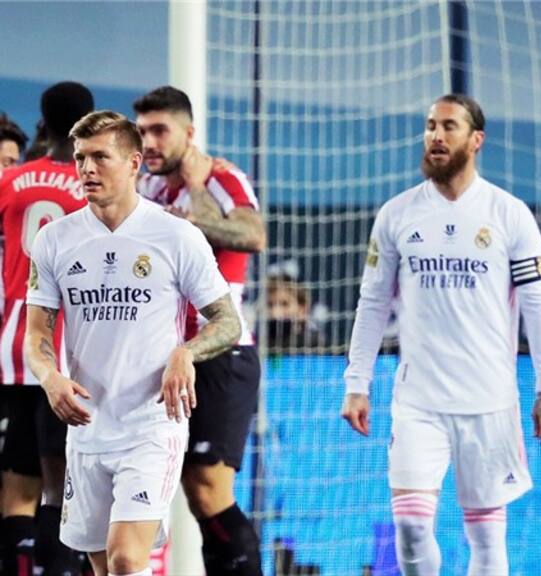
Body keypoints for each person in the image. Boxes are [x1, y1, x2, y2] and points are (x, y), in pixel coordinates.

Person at [342, 94, 541, 575]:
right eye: (430, 126)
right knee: (410, 527)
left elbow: (537, 308)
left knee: (485, 536)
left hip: (489, 401)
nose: (436, 137)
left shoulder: (509, 214)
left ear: (476, 140)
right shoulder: (397, 214)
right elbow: (372, 303)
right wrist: (357, 383)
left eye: (448, 127)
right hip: (418, 401)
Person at [24, 110, 240, 576]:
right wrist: (49, 377)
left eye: (100, 157)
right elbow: (36, 333)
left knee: (126, 558)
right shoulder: (54, 240)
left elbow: (228, 322)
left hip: (150, 426)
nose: (87, 169)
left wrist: (185, 352)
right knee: (104, 566)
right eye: (80, 158)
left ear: (134, 163)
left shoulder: (176, 235)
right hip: (86, 428)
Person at [133, 86, 265, 575]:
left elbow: (252, 235)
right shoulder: (146, 186)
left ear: (188, 133)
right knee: (187, 492)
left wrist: (195, 195)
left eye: (160, 130)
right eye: (142, 131)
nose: (149, 142)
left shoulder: (221, 178)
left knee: (210, 490)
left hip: (221, 351)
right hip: (166, 355)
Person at [0, 81, 94, 576]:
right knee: (59, 489)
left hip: (14, 350)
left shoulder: (11, 181)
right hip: (66, 351)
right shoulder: (93, 188)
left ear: (42, 120)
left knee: (16, 491)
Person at [266, 274, 323, 354]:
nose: (275, 312)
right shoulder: (259, 342)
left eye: (284, 304)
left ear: (302, 308)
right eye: (270, 305)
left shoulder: (316, 345)